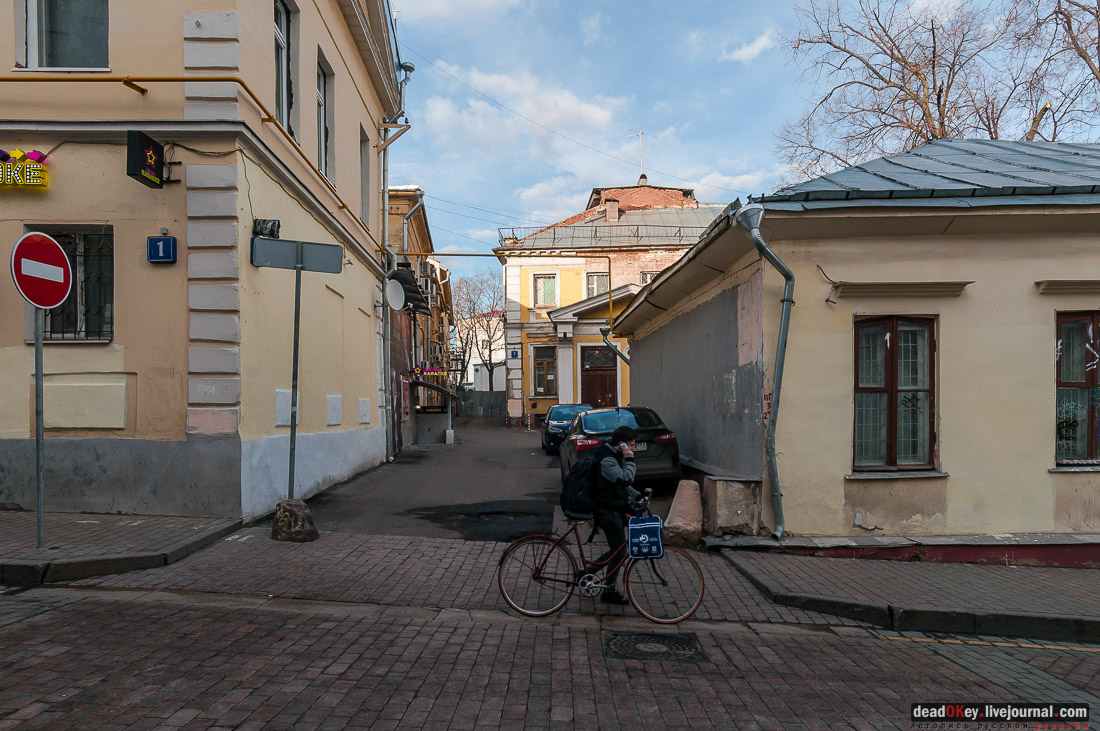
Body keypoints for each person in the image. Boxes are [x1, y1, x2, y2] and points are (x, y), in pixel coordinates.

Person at [590, 425, 642, 605]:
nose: (633, 449)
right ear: (622, 444)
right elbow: (624, 478)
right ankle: (606, 588)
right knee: (619, 550)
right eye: (632, 445)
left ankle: (591, 574)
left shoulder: (613, 456)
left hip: (612, 508)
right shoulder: (608, 460)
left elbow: (622, 485)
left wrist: (637, 496)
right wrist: (630, 460)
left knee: (618, 550)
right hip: (606, 510)